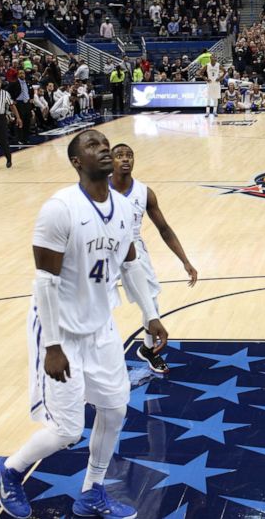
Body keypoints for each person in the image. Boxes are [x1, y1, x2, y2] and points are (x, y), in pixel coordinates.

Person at [0, 130, 167, 519]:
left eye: (105, 142)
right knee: (68, 431)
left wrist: (150, 314)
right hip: (61, 331)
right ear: (76, 162)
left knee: (115, 409)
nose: (103, 148)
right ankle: (9, 468)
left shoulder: (121, 209)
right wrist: (52, 345)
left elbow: (131, 263)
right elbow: (45, 283)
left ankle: (92, 492)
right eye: (92, 145)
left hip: (100, 327)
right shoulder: (59, 209)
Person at [109, 143, 198, 374]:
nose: (125, 160)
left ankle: (148, 350)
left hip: (134, 247)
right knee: (98, 304)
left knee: (152, 302)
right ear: (111, 161)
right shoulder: (99, 188)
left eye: (129, 155)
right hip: (104, 249)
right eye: (119, 156)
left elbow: (164, 229)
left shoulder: (144, 192)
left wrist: (185, 260)